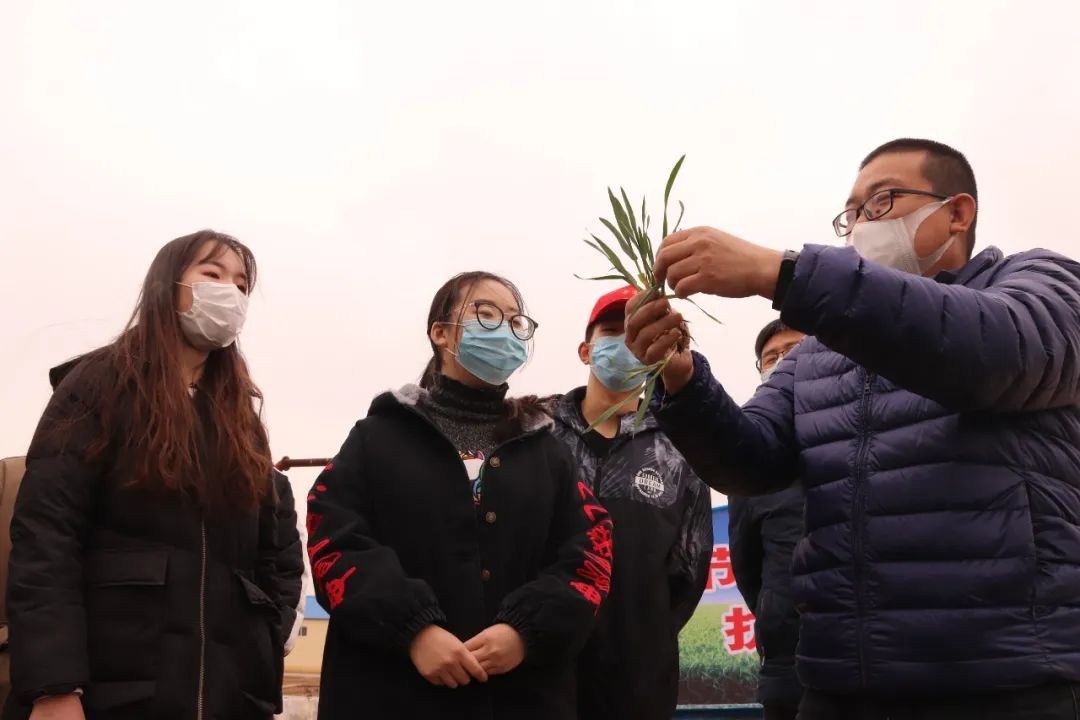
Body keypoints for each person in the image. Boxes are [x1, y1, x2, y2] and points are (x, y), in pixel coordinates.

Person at [624, 138, 1080, 719]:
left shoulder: (1040, 286)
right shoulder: (817, 354)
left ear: (957, 212)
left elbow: (992, 353)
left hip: (1007, 679)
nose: (862, 223)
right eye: (853, 212)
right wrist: (683, 380)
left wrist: (781, 274)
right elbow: (749, 461)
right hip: (843, 682)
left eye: (882, 201)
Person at [5, 230, 304, 720]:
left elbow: (278, 547)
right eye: (212, 274)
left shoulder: (239, 418)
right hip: (110, 694)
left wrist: (269, 631)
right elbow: (45, 539)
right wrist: (54, 687)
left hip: (231, 698)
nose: (230, 292)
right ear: (168, 284)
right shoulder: (97, 387)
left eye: (242, 285)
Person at [307, 271, 614, 720]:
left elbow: (590, 555)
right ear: (440, 333)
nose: (504, 330)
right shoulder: (377, 438)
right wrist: (412, 628)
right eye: (485, 314)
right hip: (388, 693)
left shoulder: (548, 452)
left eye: (515, 322)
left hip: (522, 696)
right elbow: (331, 538)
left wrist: (525, 630)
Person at [544, 285, 712, 720]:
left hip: (639, 681)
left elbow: (688, 569)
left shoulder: (680, 445)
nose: (625, 342)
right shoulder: (539, 434)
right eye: (612, 331)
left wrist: (642, 630)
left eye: (638, 331)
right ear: (586, 350)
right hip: (541, 671)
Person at [727, 319, 806, 720]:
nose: (781, 363)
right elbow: (747, 567)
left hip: (881, 664)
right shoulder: (752, 455)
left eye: (794, 350)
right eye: (771, 358)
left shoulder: (860, 432)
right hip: (787, 667)